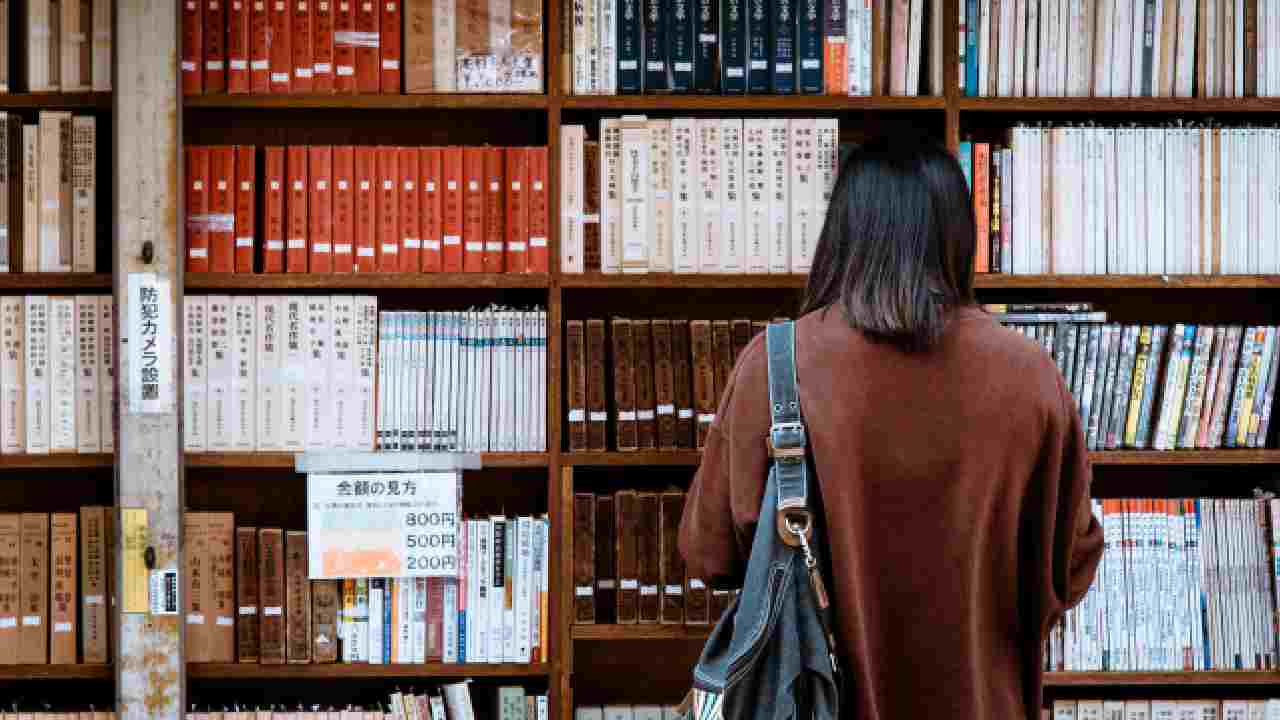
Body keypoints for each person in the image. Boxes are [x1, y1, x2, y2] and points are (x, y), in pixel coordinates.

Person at [678, 137, 1104, 720]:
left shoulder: (777, 364)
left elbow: (709, 555)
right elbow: (1071, 568)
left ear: (843, 233)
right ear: (959, 235)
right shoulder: (1030, 376)